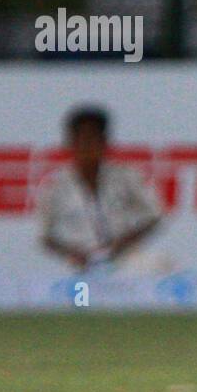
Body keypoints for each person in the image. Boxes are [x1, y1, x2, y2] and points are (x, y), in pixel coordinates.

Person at [37, 107, 163, 272]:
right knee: (78, 295)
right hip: (79, 267)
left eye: (92, 139)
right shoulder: (56, 186)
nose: (87, 147)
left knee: (160, 268)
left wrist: (124, 242)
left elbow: (153, 215)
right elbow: (46, 236)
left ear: (104, 142)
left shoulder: (125, 176)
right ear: (70, 143)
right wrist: (71, 253)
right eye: (81, 140)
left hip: (126, 262)